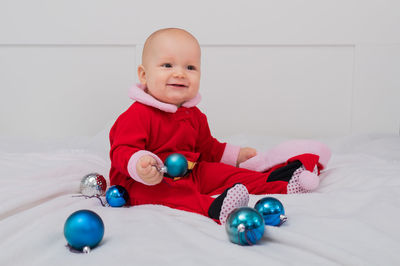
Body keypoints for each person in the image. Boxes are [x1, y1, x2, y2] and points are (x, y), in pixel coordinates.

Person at [109, 28, 330, 224]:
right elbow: (121, 150)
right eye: (167, 65)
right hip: (144, 182)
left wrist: (236, 155)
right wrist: (139, 164)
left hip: (190, 172)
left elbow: (208, 149)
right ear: (144, 75)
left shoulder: (194, 115)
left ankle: (281, 182)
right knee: (174, 192)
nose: (179, 73)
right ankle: (213, 208)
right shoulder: (138, 114)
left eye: (190, 67)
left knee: (226, 174)